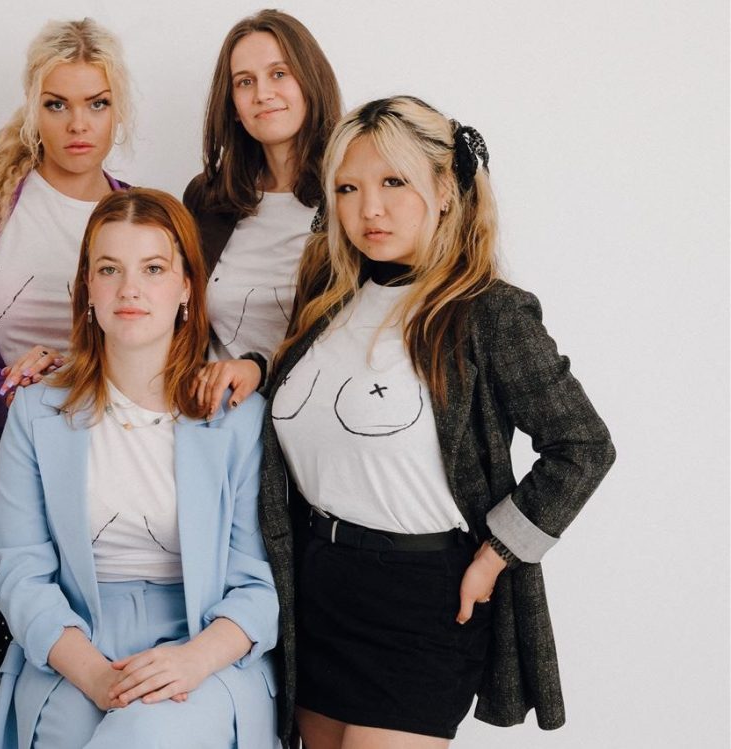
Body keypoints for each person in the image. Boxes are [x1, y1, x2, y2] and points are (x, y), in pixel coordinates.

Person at [258, 96, 617, 747]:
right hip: (314, 591)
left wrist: (495, 554)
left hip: (419, 602)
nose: (370, 208)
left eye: (393, 182)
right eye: (348, 188)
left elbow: (583, 447)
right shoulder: (325, 304)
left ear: (445, 190)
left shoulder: (487, 313)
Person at [0, 188, 279, 749]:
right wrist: (94, 673)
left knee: (143, 736)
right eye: (109, 269)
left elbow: (259, 583)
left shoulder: (237, 418)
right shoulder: (37, 410)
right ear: (87, 288)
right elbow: (22, 571)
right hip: (75, 644)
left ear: (187, 286)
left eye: (152, 268)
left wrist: (194, 661)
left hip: (203, 643)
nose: (130, 289)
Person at [0, 18, 132, 745]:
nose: (79, 124)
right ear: (31, 106)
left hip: (107, 483)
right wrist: (0, 383)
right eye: (57, 103)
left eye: (98, 104)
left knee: (87, 696)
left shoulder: (139, 215)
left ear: (120, 111)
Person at [184, 9, 343, 413]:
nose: (262, 94)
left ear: (311, 81)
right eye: (245, 82)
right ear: (233, 104)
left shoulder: (350, 196)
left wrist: (262, 371)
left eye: (279, 74)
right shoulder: (208, 199)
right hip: (216, 424)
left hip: (310, 424)